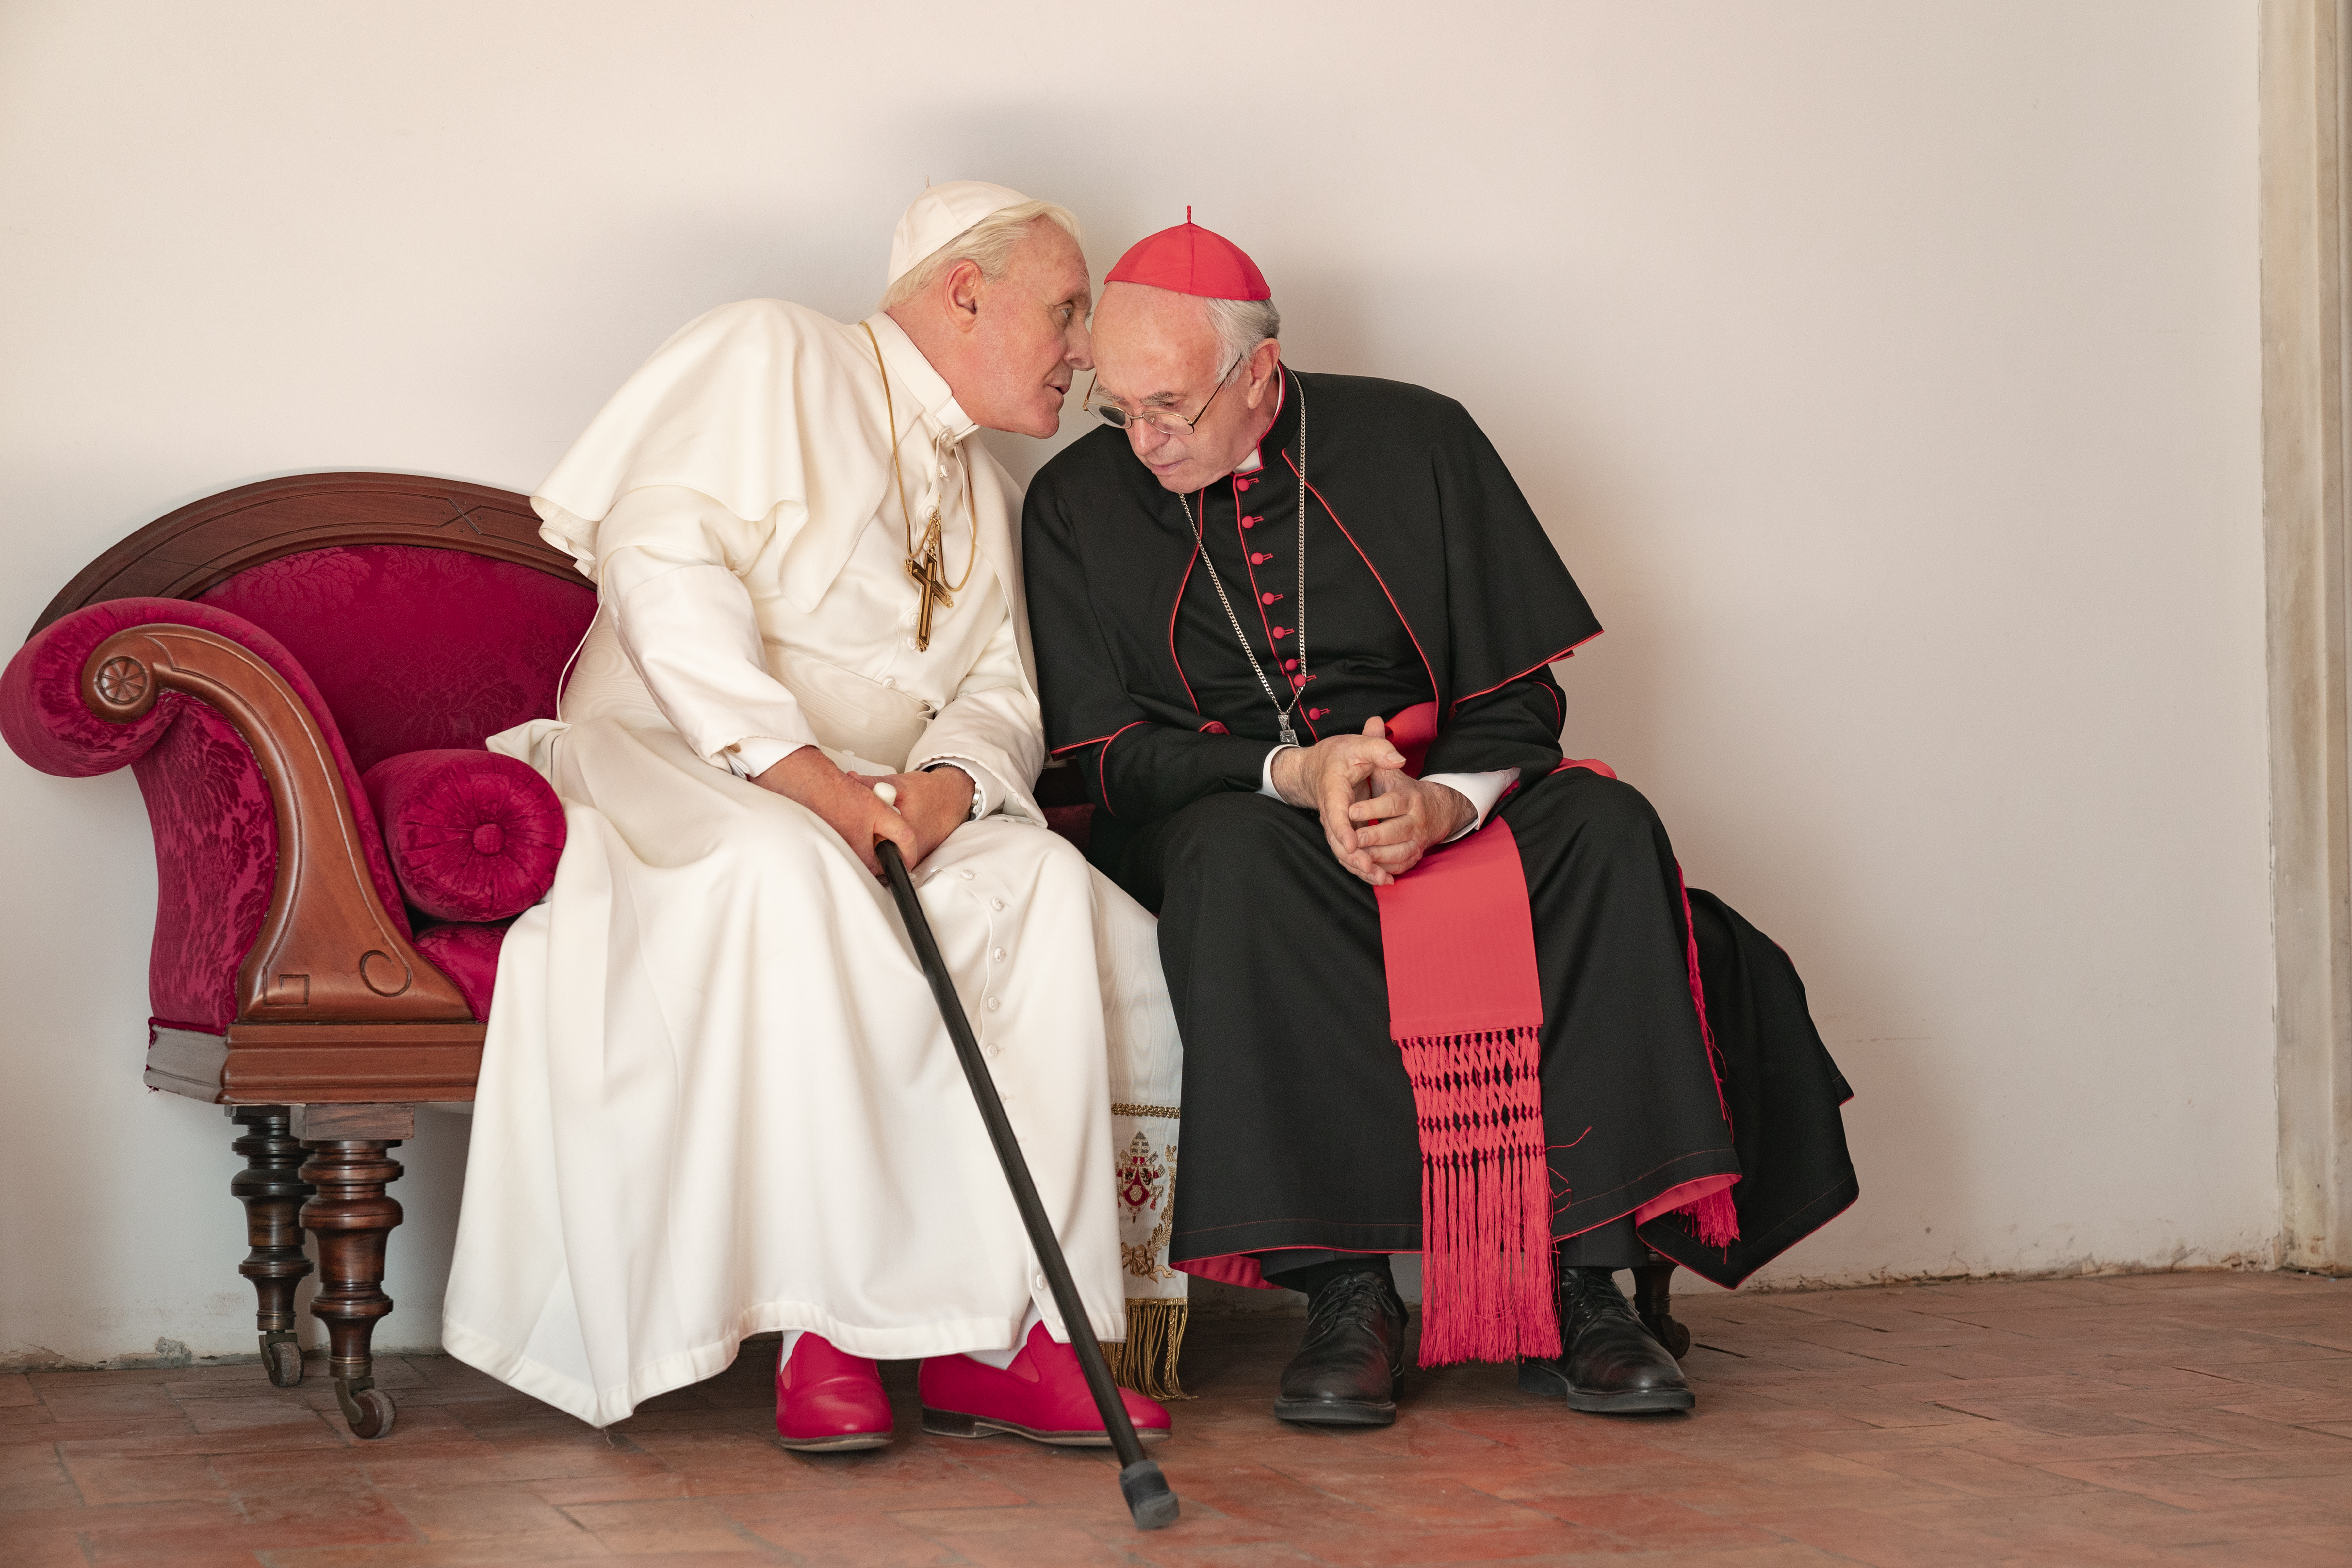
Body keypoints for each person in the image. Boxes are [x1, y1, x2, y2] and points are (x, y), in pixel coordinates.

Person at [1021, 215, 1857, 1426]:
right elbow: (1100, 751)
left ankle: (1588, 1289)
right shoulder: (1073, 506)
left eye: (1170, 411)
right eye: (1119, 409)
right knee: (1226, 864)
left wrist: (1440, 804)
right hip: (1246, 814)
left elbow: (1522, 693)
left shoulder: (1420, 438)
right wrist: (1292, 776)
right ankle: (1350, 1298)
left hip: (1446, 795)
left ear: (1257, 376)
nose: (1141, 443)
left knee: (1610, 833)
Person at [441, 182, 1175, 1452]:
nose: (1081, 350)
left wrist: (948, 790)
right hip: (680, 763)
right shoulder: (773, 350)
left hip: (880, 805)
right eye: (1065, 312)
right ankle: (823, 1331)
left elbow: (1001, 690)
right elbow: (662, 573)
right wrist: (813, 783)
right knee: (794, 869)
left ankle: (1014, 1334)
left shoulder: (995, 492)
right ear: (964, 289)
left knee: (1038, 889)